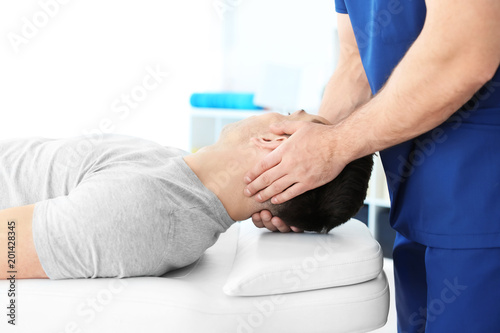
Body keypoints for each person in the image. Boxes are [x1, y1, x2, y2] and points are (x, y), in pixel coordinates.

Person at [243, 1, 500, 332]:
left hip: (481, 201)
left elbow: (465, 50)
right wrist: (303, 192)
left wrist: (333, 146)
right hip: (415, 208)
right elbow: (355, 65)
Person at [0, 110, 372, 281]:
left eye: (291, 113)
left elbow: (8, 248)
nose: (272, 110)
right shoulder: (178, 171)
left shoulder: (141, 211)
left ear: (275, 141)